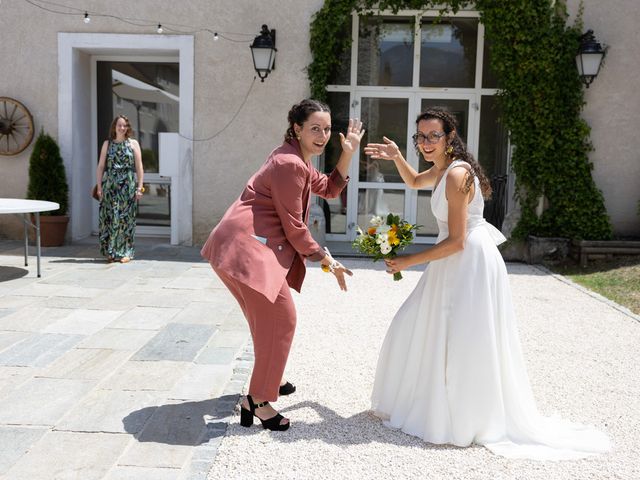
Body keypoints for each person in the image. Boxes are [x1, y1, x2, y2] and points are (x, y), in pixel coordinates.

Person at [364, 108, 610, 459]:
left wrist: (407, 260)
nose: (426, 143)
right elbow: (415, 182)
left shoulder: (455, 174)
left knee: (463, 336)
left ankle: (464, 418)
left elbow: (457, 241)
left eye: (433, 136)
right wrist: (399, 158)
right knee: (428, 327)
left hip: (467, 260)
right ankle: (444, 407)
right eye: (420, 137)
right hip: (458, 259)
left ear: (450, 136)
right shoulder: (444, 168)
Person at [201, 99, 364, 431]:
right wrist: (327, 260)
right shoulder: (290, 164)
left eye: (327, 129)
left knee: (268, 322)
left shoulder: (295, 159)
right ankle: (258, 401)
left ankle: (267, 383)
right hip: (247, 249)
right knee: (282, 318)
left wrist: (347, 152)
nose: (322, 135)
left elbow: (331, 189)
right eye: (314, 128)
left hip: (235, 247)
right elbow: (295, 227)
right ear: (297, 129)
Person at [95, 115, 144, 263]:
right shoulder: (107, 144)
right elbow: (101, 166)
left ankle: (126, 252)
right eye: (119, 125)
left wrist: (140, 188)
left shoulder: (133, 144)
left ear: (127, 127)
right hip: (110, 186)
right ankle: (111, 251)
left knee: (125, 220)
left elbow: (139, 167)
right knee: (110, 218)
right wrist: (99, 187)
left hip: (127, 187)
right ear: (114, 127)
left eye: (125, 125)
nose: (122, 128)